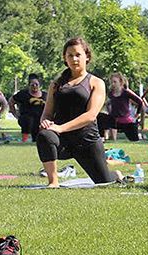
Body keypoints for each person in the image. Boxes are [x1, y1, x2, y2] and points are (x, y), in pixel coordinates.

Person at [37, 37, 122, 188]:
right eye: (70, 55)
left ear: (87, 56)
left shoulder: (96, 82)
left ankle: (114, 174)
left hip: (86, 141)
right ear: (65, 58)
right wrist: (45, 122)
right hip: (61, 140)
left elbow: (91, 115)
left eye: (78, 55)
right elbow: (47, 113)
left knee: (104, 182)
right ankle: (53, 181)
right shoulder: (56, 84)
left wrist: (61, 127)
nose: (74, 59)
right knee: (44, 136)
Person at [97, 73, 145, 142]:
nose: (113, 84)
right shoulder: (111, 93)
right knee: (99, 117)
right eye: (112, 82)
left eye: (115, 82)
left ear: (121, 82)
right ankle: (101, 138)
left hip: (125, 121)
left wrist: (137, 113)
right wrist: (109, 112)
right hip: (114, 120)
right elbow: (108, 103)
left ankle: (139, 136)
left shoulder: (126, 92)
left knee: (134, 139)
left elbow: (140, 102)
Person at [10, 73, 47, 143]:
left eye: (36, 84)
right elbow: (11, 101)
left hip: (40, 119)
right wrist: (15, 114)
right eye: (32, 85)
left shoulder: (45, 95)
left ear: (39, 85)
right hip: (26, 119)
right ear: (29, 85)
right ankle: (25, 140)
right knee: (28, 120)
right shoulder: (23, 94)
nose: (35, 86)